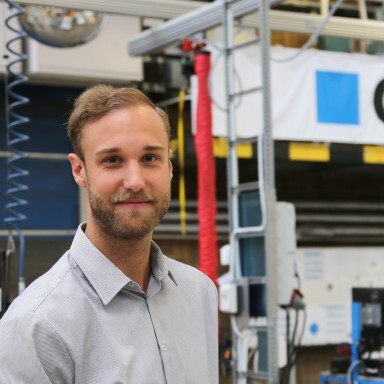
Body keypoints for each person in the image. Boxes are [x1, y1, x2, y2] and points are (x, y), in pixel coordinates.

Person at [0, 85, 218, 383]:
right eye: (112, 160)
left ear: (168, 166)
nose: (135, 181)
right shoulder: (37, 325)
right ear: (79, 170)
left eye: (149, 158)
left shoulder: (199, 292)